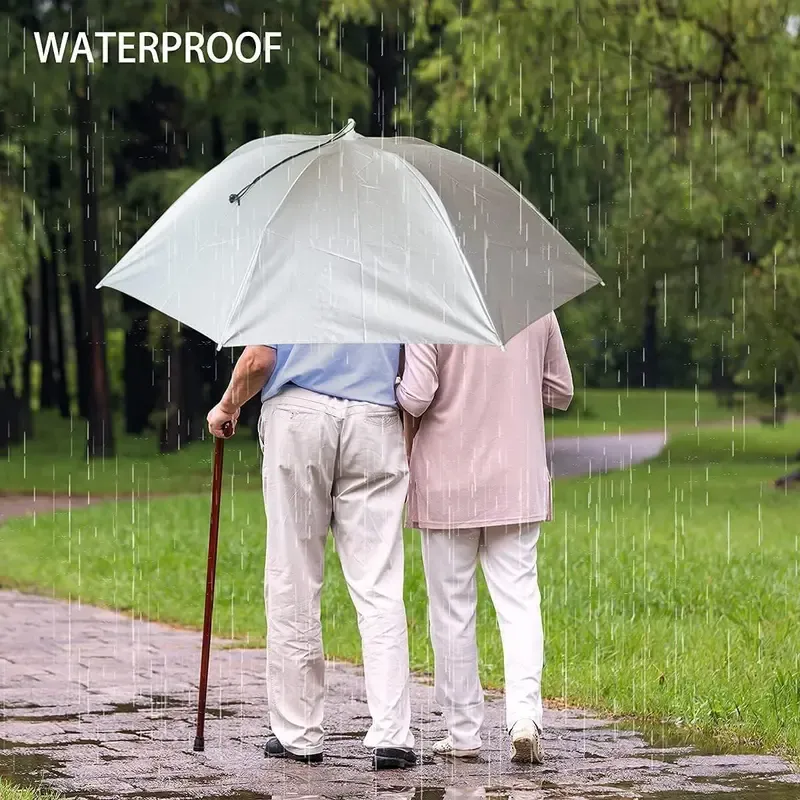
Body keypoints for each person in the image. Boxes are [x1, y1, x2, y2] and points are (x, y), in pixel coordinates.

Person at [207, 343, 415, 771]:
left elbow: (258, 361)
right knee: (378, 582)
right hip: (375, 417)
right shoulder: (395, 274)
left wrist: (227, 405)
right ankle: (392, 734)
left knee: (294, 575)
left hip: (299, 416)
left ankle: (300, 733)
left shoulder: (284, 273)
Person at [395, 312, 573, 764]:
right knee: (519, 601)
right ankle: (524, 717)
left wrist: (395, 382)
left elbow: (416, 398)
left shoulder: (433, 303)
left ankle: (463, 733)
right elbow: (560, 391)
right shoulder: (535, 305)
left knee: (453, 609)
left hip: (447, 483)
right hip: (516, 478)